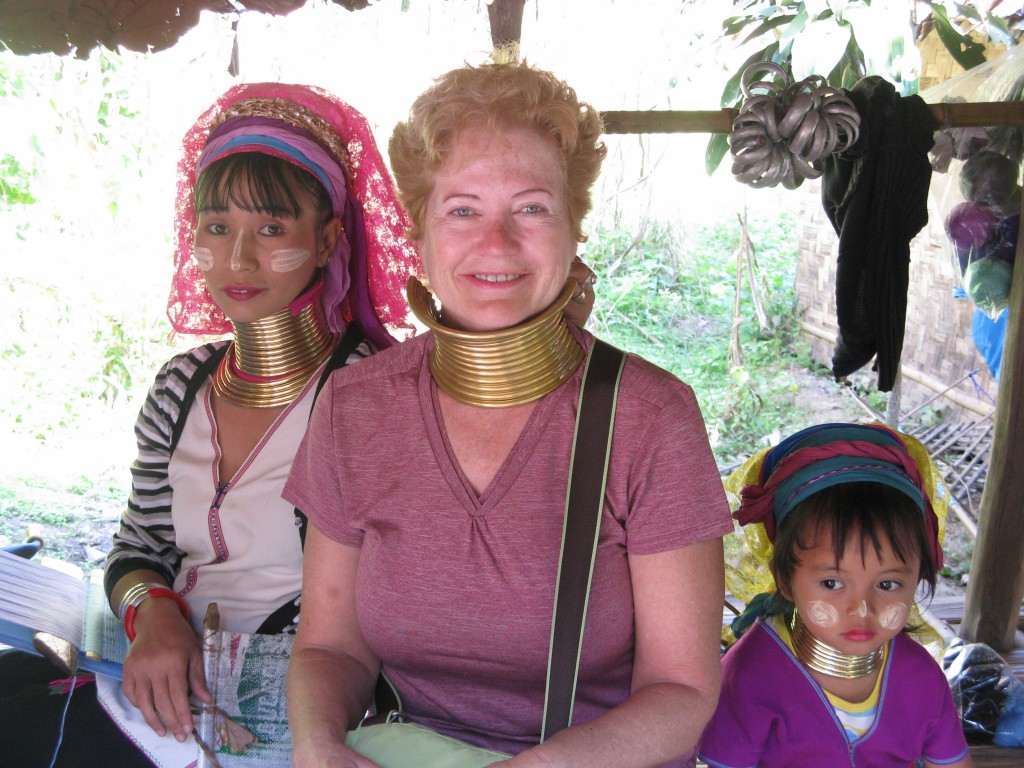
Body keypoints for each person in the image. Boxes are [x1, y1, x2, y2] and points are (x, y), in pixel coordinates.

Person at [0, 81, 597, 768]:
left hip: (296, 708)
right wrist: (152, 611)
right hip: (157, 679)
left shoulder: (373, 390)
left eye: (273, 228)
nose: (239, 259)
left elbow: (396, 591)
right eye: (216, 228)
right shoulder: (181, 385)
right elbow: (142, 543)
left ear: (329, 238)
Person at [283, 54, 733, 768]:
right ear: (420, 234)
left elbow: (681, 689)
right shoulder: (356, 409)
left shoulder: (649, 420)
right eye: (462, 210)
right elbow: (331, 645)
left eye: (531, 208)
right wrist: (318, 745)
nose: (497, 244)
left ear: (573, 229)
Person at [698, 422, 973, 768]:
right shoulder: (750, 676)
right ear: (784, 578)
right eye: (832, 583)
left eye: (887, 585)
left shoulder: (919, 677)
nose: (862, 609)